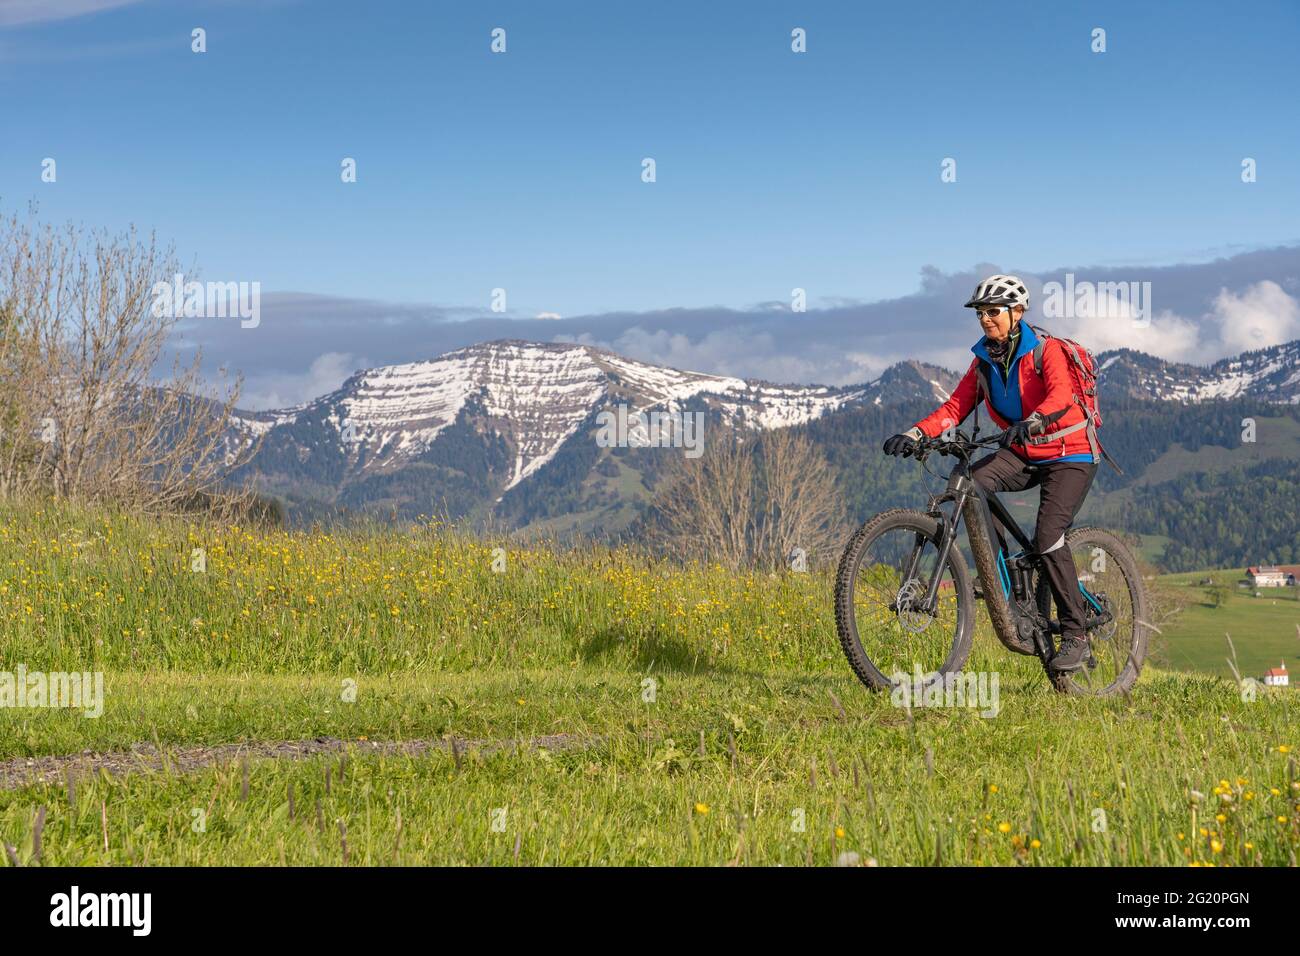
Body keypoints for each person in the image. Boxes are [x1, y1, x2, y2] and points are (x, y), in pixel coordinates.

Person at [881, 274, 1098, 672]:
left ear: (1017, 313)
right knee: (972, 481)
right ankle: (1000, 577)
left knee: (1048, 534)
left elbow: (1062, 396)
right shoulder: (983, 362)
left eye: (993, 311)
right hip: (1023, 450)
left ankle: (1076, 634)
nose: (985, 319)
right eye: (980, 313)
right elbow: (954, 408)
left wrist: (1033, 422)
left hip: (1070, 453)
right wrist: (915, 434)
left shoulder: (1045, 351)